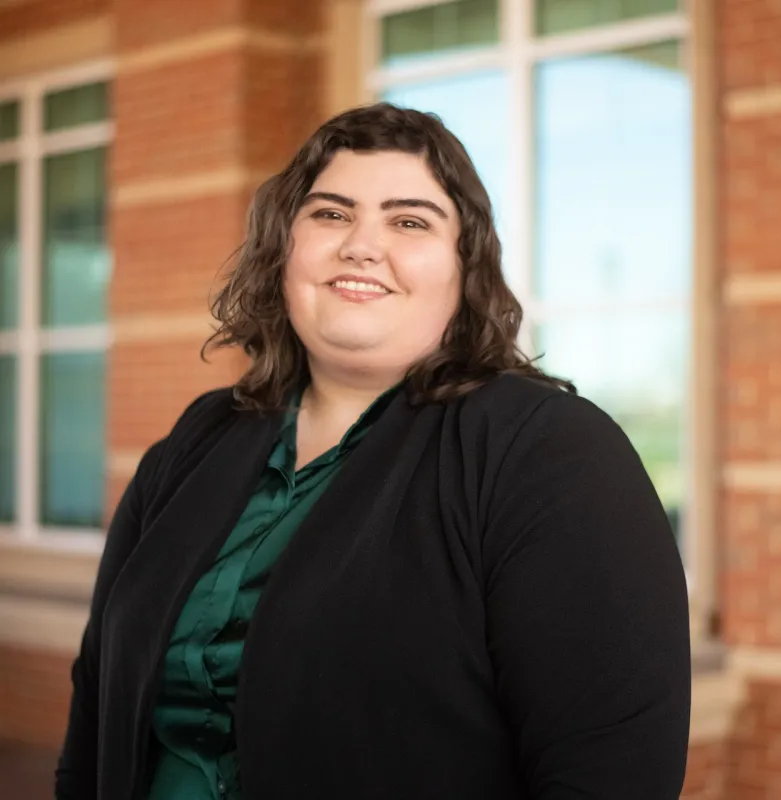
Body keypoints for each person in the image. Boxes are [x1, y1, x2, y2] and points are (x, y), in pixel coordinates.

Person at [55, 103, 690, 800]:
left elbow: (611, 775)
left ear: (463, 267)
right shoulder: (197, 440)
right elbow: (95, 703)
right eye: (330, 214)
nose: (362, 244)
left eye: (410, 221)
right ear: (284, 248)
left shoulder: (549, 454)